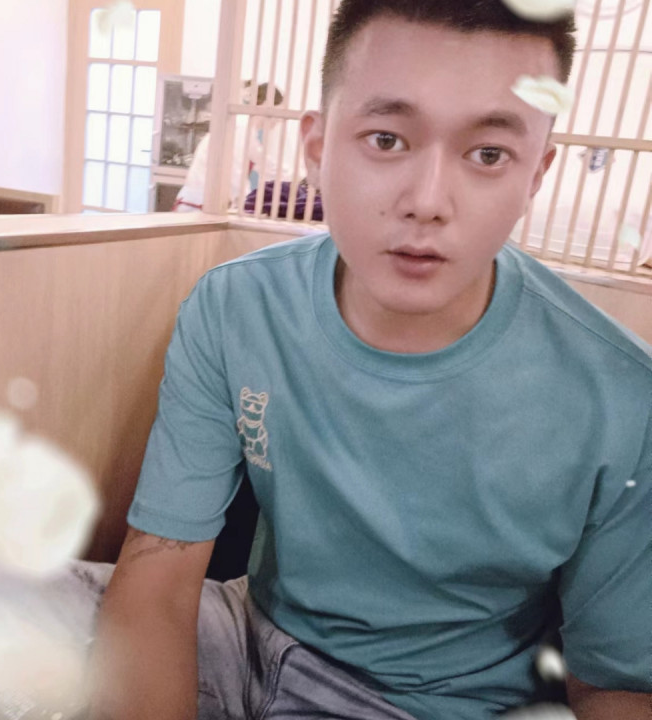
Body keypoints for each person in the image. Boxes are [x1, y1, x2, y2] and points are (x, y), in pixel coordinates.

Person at [89, 1, 652, 719]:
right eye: (387, 139)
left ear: (536, 173)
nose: (427, 202)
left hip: (431, 703)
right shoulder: (236, 306)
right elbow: (160, 569)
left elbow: (615, 686)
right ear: (317, 146)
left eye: (488, 154)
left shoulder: (621, 396)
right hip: (246, 635)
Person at [173, 81, 285, 212]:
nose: (280, 120)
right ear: (267, 106)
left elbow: (265, 163)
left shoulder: (244, 128)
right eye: (280, 112)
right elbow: (236, 175)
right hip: (200, 204)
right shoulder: (240, 128)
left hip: (201, 202)